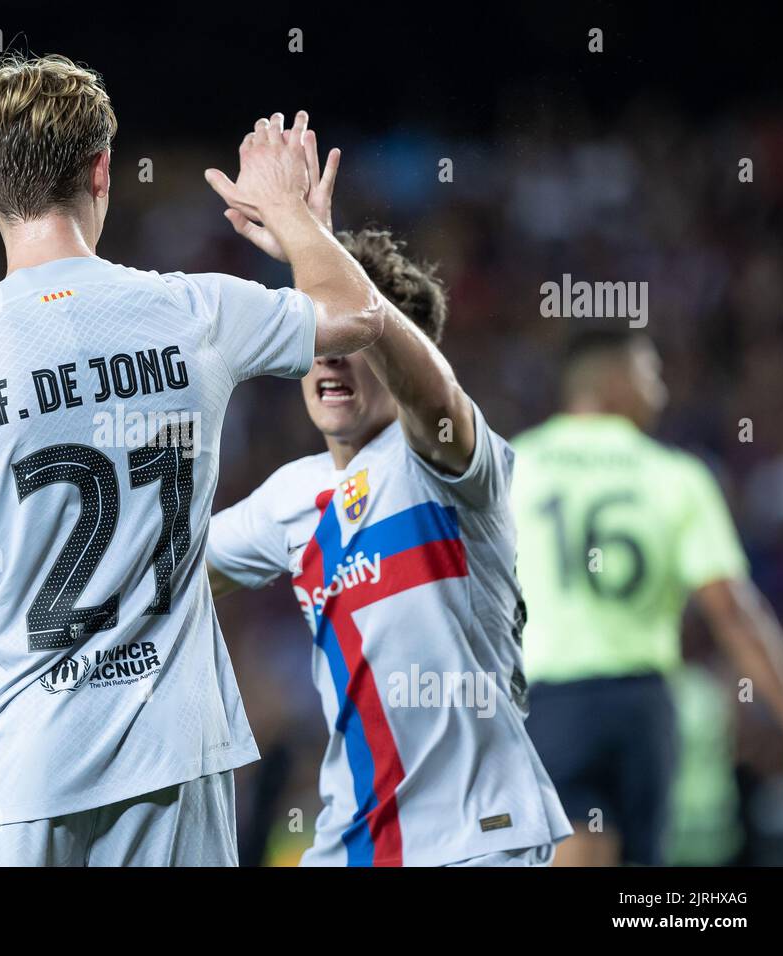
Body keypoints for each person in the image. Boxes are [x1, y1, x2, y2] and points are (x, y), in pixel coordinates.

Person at [0, 54, 393, 866]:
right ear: (102, 171)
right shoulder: (194, 310)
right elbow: (357, 314)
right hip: (174, 765)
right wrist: (293, 218)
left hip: (12, 781)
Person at [206, 143, 571, 866]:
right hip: (352, 847)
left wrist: (303, 233)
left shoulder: (452, 465)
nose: (328, 358)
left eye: (352, 342)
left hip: (479, 841)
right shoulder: (291, 498)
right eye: (318, 340)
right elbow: (167, 571)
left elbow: (430, 392)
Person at [513, 329, 783, 865]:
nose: (662, 392)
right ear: (613, 383)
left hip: (551, 704)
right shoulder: (677, 475)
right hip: (641, 706)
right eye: (652, 375)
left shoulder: (511, 466)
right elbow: (733, 610)